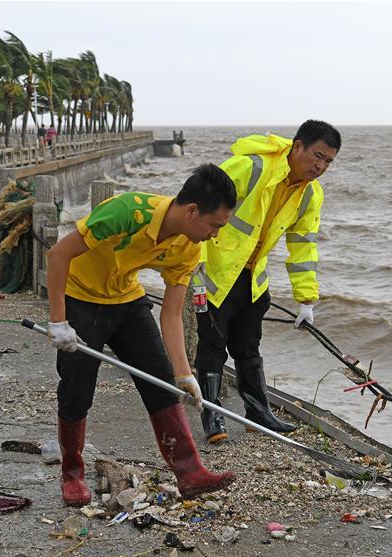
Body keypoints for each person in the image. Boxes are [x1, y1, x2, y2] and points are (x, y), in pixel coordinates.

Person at [46, 163, 238, 506]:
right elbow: (58, 254)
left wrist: (183, 375)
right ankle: (72, 473)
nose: (216, 235)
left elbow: (173, 312)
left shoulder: (190, 247)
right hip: (81, 297)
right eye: (215, 225)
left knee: (160, 381)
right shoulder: (128, 212)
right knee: (77, 388)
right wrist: (59, 322)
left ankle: (190, 472)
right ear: (193, 211)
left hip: (127, 300)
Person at [194, 119, 342, 444]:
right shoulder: (252, 167)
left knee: (248, 346)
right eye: (317, 156)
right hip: (214, 273)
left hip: (252, 278)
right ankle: (212, 416)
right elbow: (198, 205)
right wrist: (193, 268)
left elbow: (303, 247)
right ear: (297, 146)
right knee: (212, 345)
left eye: (328, 161)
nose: (320, 166)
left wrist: (306, 300)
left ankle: (258, 414)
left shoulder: (310, 195)